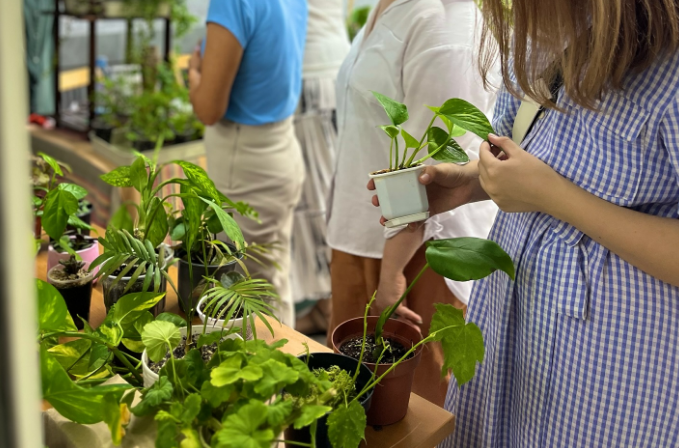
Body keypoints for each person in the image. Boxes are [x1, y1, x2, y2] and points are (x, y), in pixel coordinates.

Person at [370, 0, 679, 445]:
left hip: (609, 370)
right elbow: (534, 156)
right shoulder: (547, 34)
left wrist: (552, 196)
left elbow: (551, 184)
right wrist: (470, 182)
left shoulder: (666, 65)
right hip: (510, 327)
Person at [327, 0, 499, 406]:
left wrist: (391, 272)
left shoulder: (446, 25)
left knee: (412, 412)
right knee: (353, 407)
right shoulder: (392, 6)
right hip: (363, 239)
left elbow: (433, 165)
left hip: (415, 259)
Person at [188, 0, 308, 327]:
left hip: (246, 162)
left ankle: (275, 371)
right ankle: (285, 369)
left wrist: (194, 74)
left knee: (247, 296)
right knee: (271, 282)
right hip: (280, 147)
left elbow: (209, 108)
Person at [292, 0, 350, 335]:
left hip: (307, 73)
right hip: (332, 67)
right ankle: (321, 306)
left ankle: (327, 308)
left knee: (314, 195)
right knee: (322, 188)